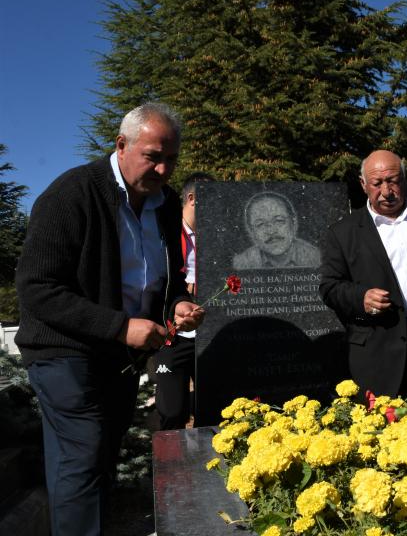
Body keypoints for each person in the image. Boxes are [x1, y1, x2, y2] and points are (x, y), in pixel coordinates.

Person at [15, 103, 204, 536]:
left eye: (171, 158)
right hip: (63, 352)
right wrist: (120, 326)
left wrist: (175, 305)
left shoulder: (166, 203)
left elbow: (168, 276)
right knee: (81, 459)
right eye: (153, 156)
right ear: (121, 145)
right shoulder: (72, 194)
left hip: (118, 356)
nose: (162, 168)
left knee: (98, 462)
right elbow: (37, 287)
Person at [319, 150, 407, 397]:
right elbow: (329, 287)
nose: (387, 191)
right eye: (377, 183)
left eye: (393, 181)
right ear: (363, 185)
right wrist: (361, 298)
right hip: (380, 355)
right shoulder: (343, 232)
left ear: (405, 179)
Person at [154, 171, 213, 430]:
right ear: (192, 198)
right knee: (172, 410)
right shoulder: (164, 232)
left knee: (214, 409)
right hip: (173, 335)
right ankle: (173, 469)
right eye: (214, 200)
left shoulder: (215, 236)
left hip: (210, 334)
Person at [232, 191, 321, 269]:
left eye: (279, 221)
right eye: (260, 224)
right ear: (251, 232)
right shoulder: (241, 264)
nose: (271, 231)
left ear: (293, 223)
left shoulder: (316, 257)